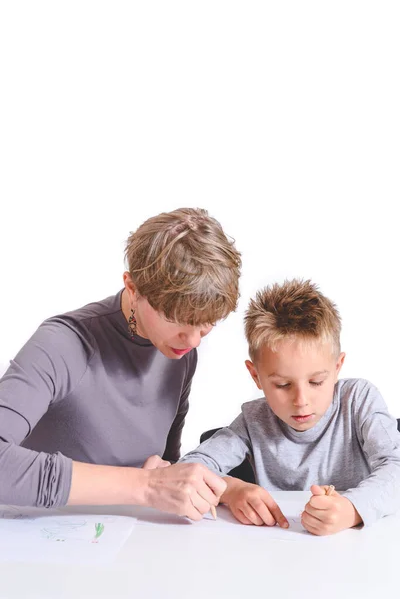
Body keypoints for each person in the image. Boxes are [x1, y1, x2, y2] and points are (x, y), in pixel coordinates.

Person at [0, 207, 241, 520]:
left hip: (127, 539)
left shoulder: (179, 351)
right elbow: (152, 484)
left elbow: (167, 471)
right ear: (133, 287)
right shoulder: (64, 343)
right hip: (43, 542)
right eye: (177, 319)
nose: (194, 340)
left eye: (208, 322)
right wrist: (144, 486)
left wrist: (228, 488)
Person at [179, 279, 400, 535]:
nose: (301, 400)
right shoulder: (253, 422)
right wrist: (231, 490)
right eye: (283, 385)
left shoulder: (359, 401)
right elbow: (189, 470)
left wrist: (351, 509)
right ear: (256, 376)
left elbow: (396, 467)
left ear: (337, 367)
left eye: (316, 381)